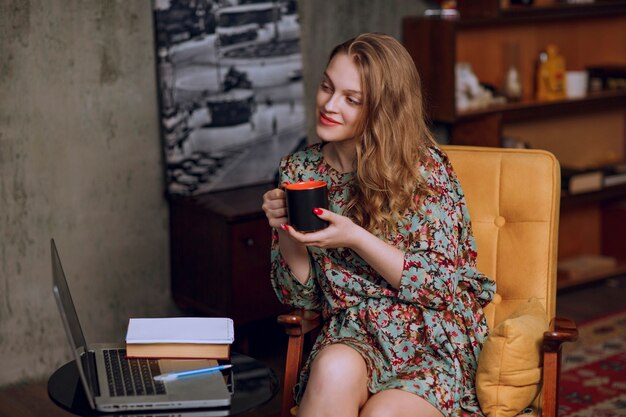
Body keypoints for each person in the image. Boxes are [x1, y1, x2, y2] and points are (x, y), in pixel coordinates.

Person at [261, 33, 496, 417]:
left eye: (351, 99)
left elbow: (441, 287)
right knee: (332, 370)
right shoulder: (300, 170)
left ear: (383, 109)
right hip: (354, 332)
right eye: (326, 87)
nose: (330, 105)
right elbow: (302, 299)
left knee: (382, 414)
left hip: (431, 336)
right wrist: (287, 232)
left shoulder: (424, 169)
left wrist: (356, 238)